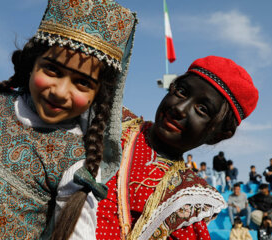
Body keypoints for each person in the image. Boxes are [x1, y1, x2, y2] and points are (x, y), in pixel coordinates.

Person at [0, 1, 137, 239]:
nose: (60, 92)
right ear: (31, 65)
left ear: (99, 96)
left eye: (82, 83)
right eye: (52, 70)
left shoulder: (74, 160)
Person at [95, 55, 259, 239]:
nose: (180, 108)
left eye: (202, 109)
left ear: (219, 135)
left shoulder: (188, 200)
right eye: (181, 91)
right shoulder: (110, 121)